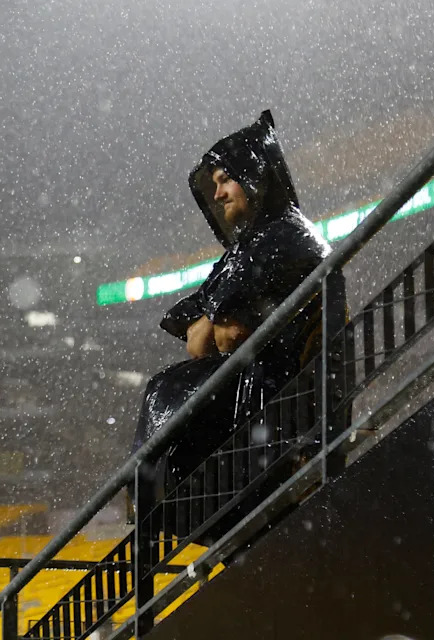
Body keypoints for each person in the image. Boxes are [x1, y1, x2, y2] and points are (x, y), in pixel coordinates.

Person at [129, 111, 331, 521]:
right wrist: (214, 322)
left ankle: (161, 512)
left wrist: (216, 323)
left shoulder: (283, 235)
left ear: (256, 176)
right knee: (171, 390)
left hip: (275, 407)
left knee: (171, 390)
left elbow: (220, 338)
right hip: (267, 407)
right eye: (215, 183)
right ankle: (162, 508)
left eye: (226, 180)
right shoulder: (252, 244)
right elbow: (199, 337)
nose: (218, 194)